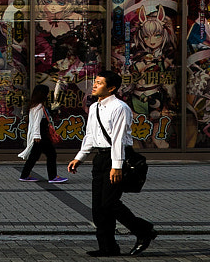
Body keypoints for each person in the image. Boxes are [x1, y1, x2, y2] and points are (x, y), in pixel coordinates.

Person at [69, 71, 156, 258]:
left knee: (109, 203)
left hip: (116, 157)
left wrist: (116, 165)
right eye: (95, 82)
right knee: (98, 207)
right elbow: (90, 135)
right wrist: (80, 157)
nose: (94, 85)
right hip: (99, 158)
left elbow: (118, 139)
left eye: (99, 83)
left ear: (111, 88)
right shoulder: (94, 107)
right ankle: (107, 247)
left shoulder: (120, 107)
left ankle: (143, 230)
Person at [18, 83, 67, 184]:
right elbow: (36, 123)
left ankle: (25, 175)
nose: (48, 95)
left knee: (34, 156)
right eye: (47, 93)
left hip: (39, 135)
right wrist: (37, 135)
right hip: (41, 136)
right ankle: (53, 176)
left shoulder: (34, 106)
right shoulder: (39, 107)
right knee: (51, 154)